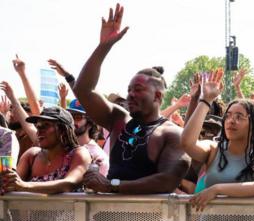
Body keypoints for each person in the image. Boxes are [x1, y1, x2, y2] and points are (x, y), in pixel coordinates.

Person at [73, 4, 190, 194]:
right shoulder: (119, 119)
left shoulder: (173, 134)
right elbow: (83, 90)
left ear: (158, 96)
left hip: (149, 219)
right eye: (129, 89)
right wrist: (104, 47)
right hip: (105, 216)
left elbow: (167, 180)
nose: (130, 94)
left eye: (138, 89)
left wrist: (112, 186)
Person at [181, 69, 254, 211]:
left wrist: (218, 189)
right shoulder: (213, 149)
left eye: (239, 117)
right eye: (229, 115)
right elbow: (186, 143)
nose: (231, 121)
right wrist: (206, 100)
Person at [1, 106, 91, 194]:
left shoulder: (79, 153)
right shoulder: (32, 155)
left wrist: (24, 186)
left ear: (63, 130)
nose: (39, 131)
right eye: (38, 126)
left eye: (46, 125)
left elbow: (70, 183)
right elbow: (13, 185)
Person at [67, 99, 109, 176]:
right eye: (69, 117)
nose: (72, 122)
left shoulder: (99, 157)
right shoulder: (62, 147)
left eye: (77, 117)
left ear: (90, 123)